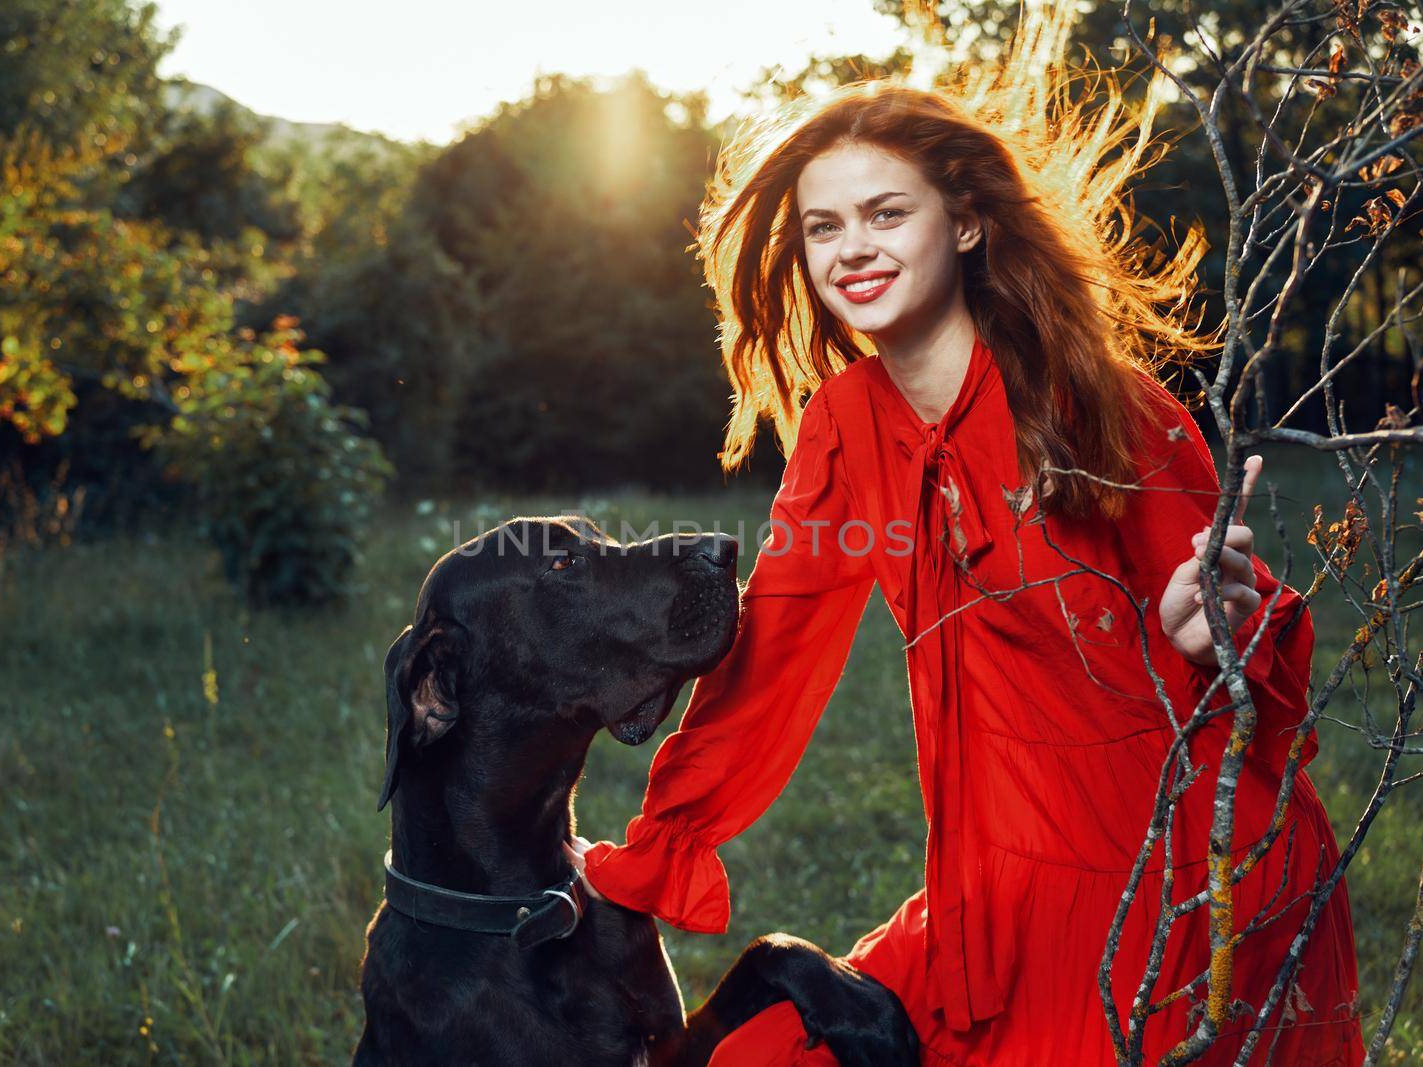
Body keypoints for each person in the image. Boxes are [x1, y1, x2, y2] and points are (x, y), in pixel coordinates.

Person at [563, 65, 1363, 1067]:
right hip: (991, 892)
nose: (853, 246)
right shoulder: (846, 422)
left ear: (968, 224)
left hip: (1172, 879)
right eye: (823, 227)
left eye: (886, 212)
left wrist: (1218, 627)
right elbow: (767, 660)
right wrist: (658, 845)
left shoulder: (1103, 408)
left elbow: (1231, 640)